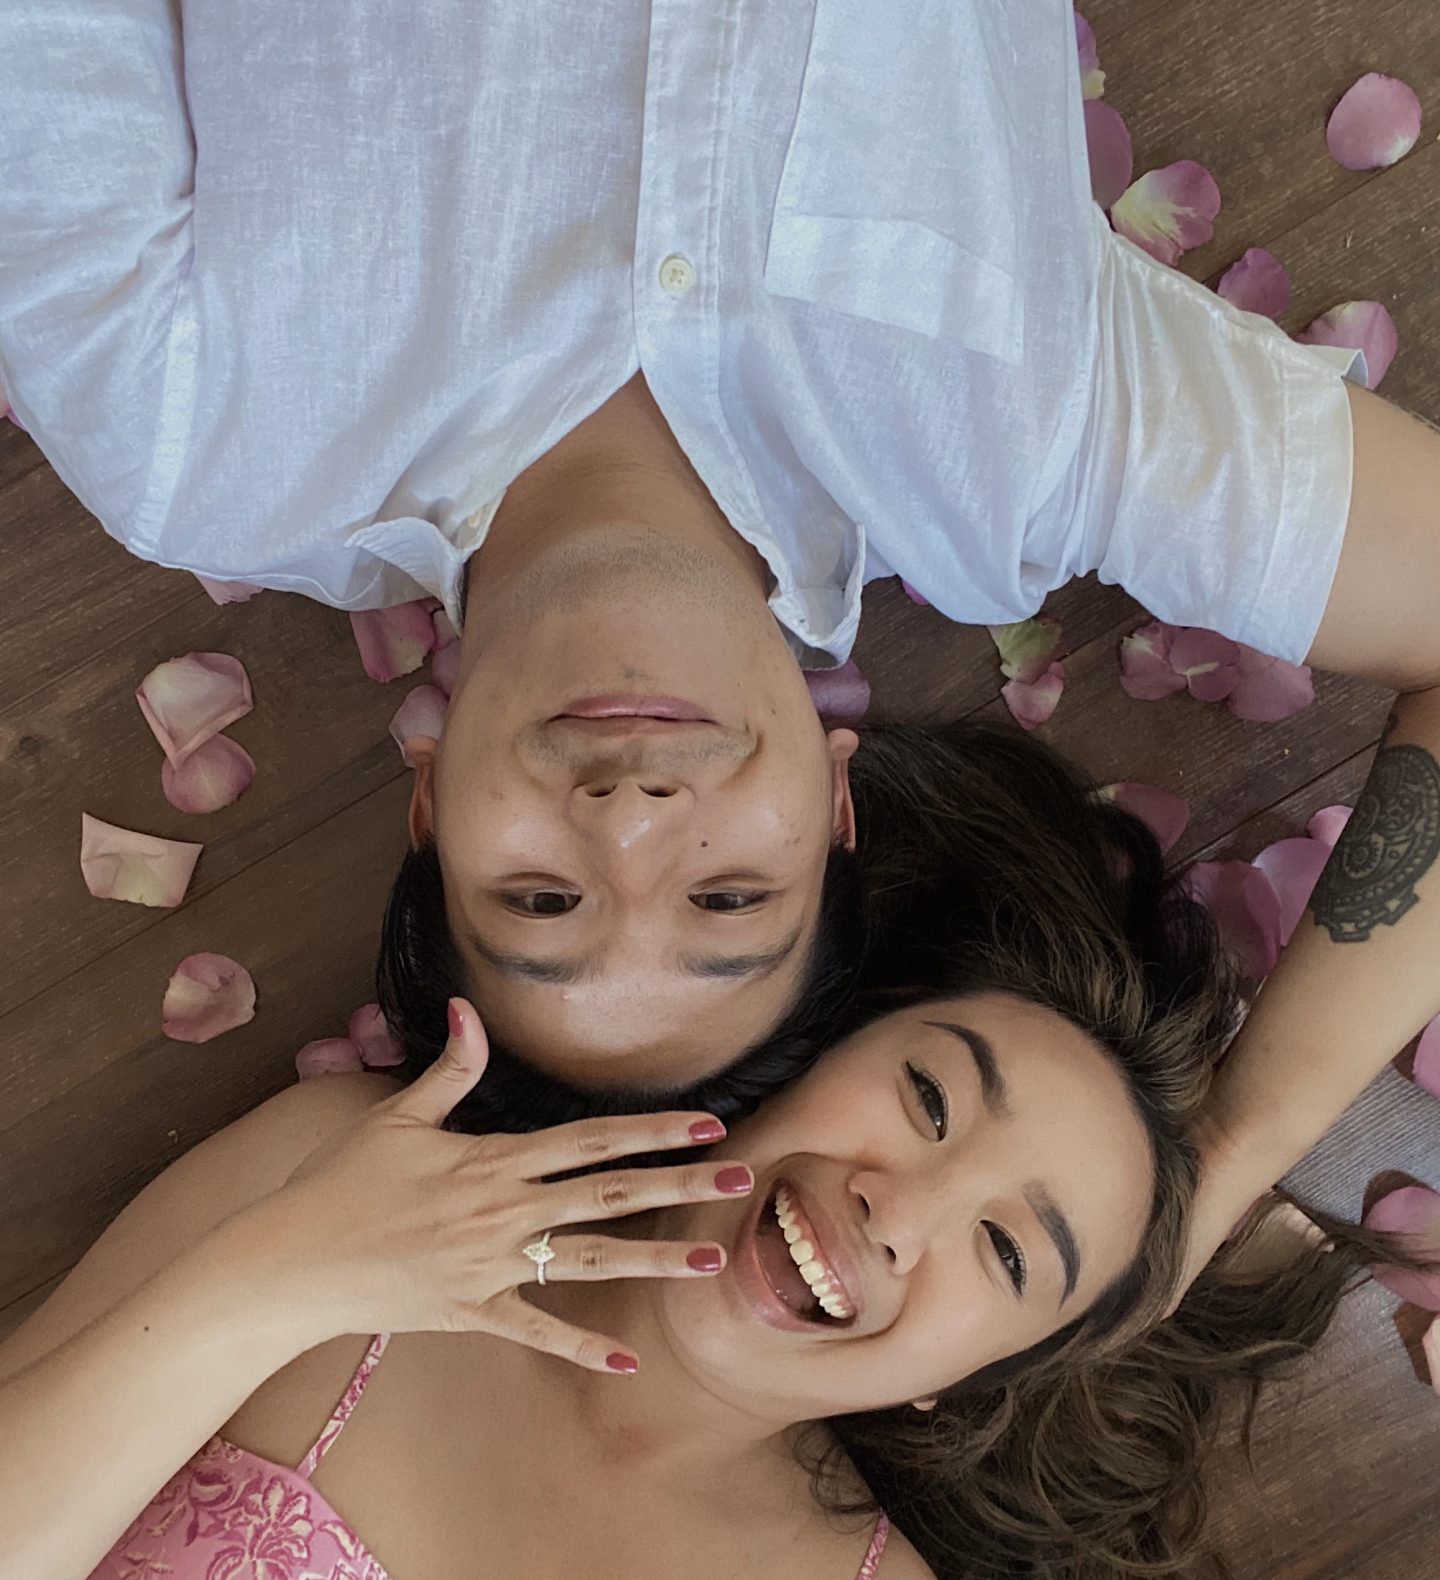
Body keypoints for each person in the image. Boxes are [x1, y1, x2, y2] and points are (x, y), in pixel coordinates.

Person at [4, 2, 1440, 1272]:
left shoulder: (190, 435)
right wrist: (1230, 1154)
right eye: (731, 902)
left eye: (540, 904)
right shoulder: (1025, 448)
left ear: (432, 800)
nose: (630, 827)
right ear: (832, 797)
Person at [0, 725, 1423, 1580]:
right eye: (928, 1099)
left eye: (1007, 1251)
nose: (901, 1210)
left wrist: (1193, 1198)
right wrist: (282, 1276)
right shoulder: (348, 1166)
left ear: (969, 1380)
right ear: (799, 1061)